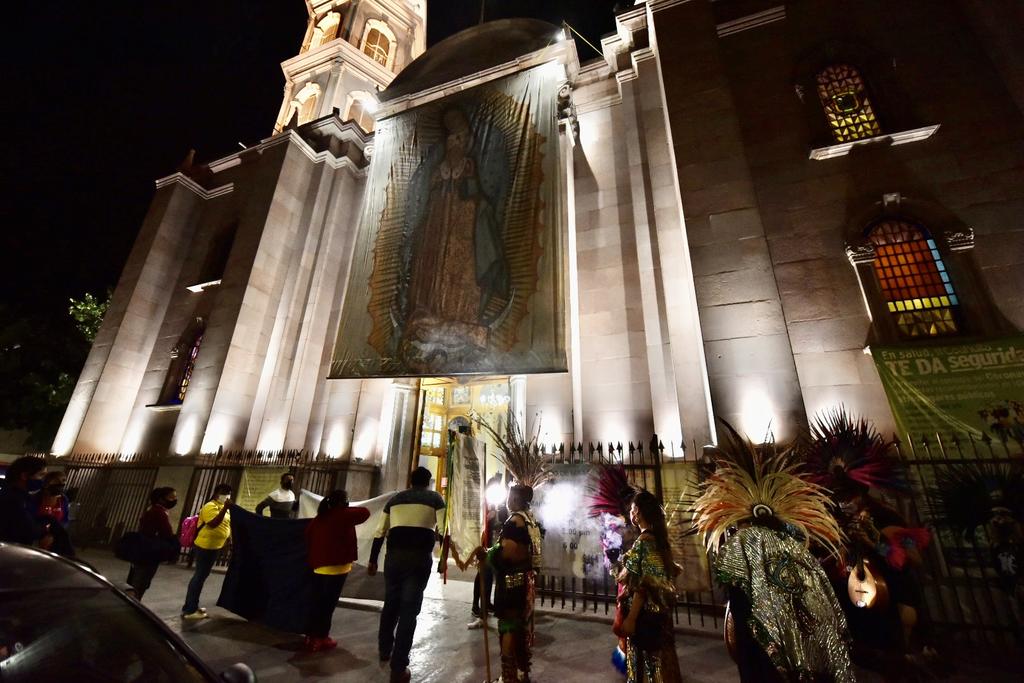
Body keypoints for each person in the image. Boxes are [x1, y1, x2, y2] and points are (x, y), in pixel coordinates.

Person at [692, 422, 855, 683]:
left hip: (766, 644)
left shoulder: (742, 542)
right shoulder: (793, 544)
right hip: (808, 642)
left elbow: (736, 595)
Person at [368, 466, 446, 683]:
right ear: (428, 482)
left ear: (410, 481)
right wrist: (444, 558)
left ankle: (385, 649)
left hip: (393, 558)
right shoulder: (435, 499)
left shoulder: (394, 500)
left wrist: (373, 559)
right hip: (418, 559)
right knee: (409, 611)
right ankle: (398, 667)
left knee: (391, 604)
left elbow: (380, 531)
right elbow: (444, 530)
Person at [614, 490, 682, 683]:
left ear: (637, 512)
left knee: (648, 668)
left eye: (632, 509)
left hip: (646, 618)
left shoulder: (645, 542)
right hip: (657, 616)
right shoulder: (657, 541)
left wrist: (631, 619)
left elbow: (645, 585)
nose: (630, 512)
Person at [487, 484, 543, 683]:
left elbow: (509, 552)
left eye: (510, 496)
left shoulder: (514, 521)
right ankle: (521, 672)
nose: (507, 500)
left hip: (512, 582)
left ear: (516, 500)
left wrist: (490, 555)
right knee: (520, 625)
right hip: (525, 580)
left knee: (508, 626)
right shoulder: (530, 519)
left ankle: (508, 677)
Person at [303, 489, 371, 652]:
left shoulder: (320, 517)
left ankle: (311, 636)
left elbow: (307, 534)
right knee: (328, 606)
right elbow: (365, 512)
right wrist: (344, 507)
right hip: (337, 569)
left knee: (317, 604)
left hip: (318, 567)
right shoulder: (343, 515)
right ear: (342, 502)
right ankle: (321, 637)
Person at [181, 483, 233, 620]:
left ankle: (192, 605)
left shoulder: (224, 507)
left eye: (229, 493)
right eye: (224, 492)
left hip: (215, 546)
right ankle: (189, 610)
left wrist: (228, 540)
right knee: (199, 576)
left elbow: (226, 525)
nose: (226, 495)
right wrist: (225, 508)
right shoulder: (210, 506)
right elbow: (213, 523)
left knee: (202, 575)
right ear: (216, 493)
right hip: (205, 546)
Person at [127, 487, 178, 599]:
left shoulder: (153, 509)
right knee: (142, 580)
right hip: (149, 550)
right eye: (171, 497)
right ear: (161, 499)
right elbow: (166, 532)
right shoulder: (159, 512)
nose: (174, 500)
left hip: (143, 548)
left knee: (138, 578)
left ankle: (134, 600)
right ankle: (134, 602)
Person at [467, 495, 507, 630]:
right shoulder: (484, 508)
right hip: (486, 550)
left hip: (495, 551)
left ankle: (486, 607)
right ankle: (479, 611)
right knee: (484, 579)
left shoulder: (500, 510)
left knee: (487, 580)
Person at [0, 455, 52, 549]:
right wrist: (45, 525)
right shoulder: (13, 499)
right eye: (41, 475)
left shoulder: (23, 496)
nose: (43, 480)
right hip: (10, 550)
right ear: (24, 476)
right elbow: (30, 530)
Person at [33, 471, 74, 557]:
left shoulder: (63, 500)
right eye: (57, 481)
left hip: (56, 535)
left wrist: (52, 535)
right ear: (47, 483)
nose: (61, 484)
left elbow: (65, 520)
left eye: (63, 481)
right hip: (38, 533)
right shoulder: (36, 498)